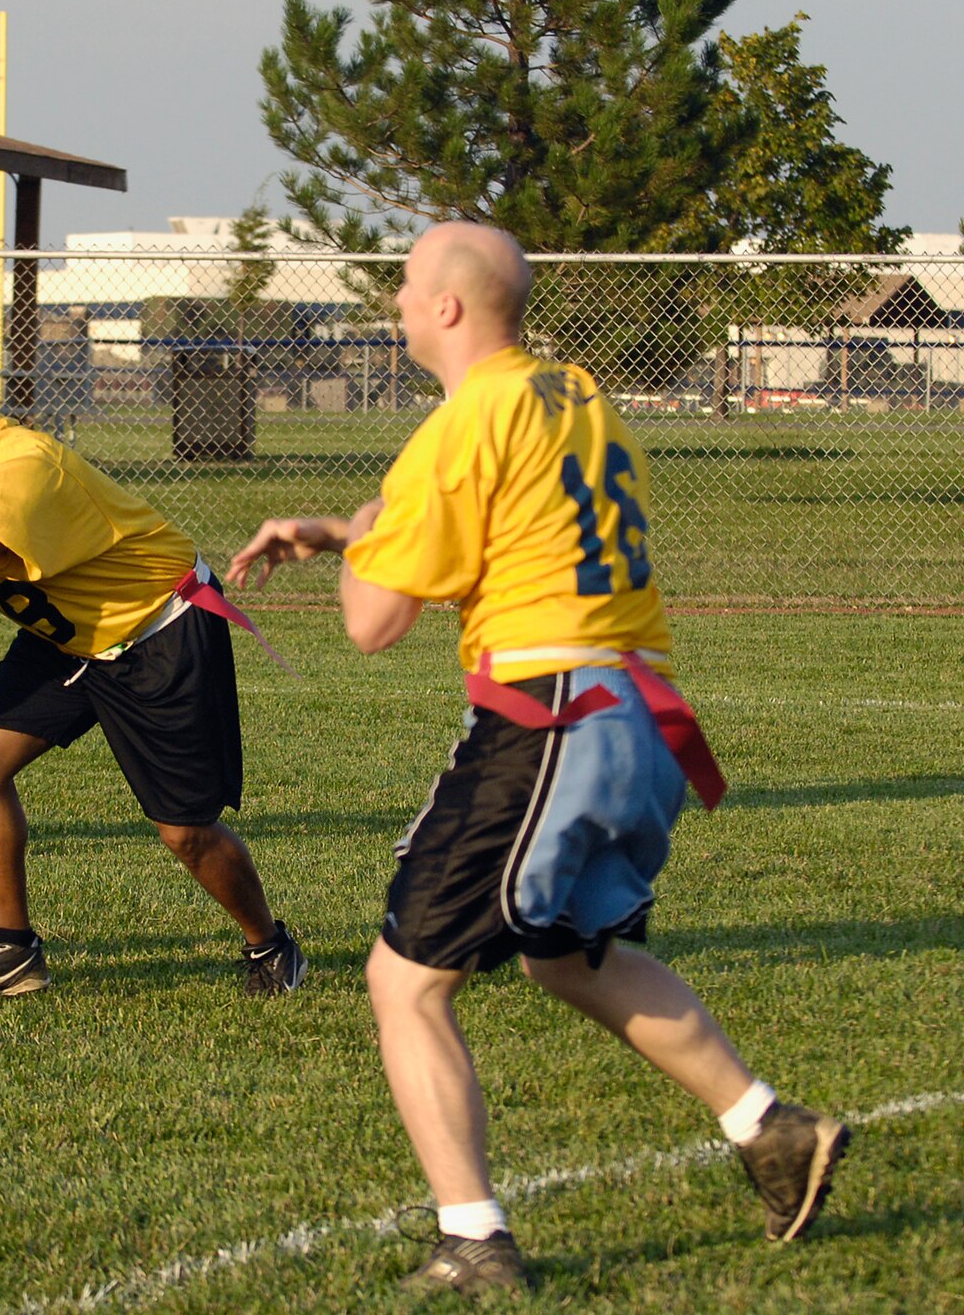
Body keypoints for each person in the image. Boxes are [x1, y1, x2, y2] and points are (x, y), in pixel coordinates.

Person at [228, 222, 849, 1295]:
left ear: (451, 309)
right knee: (567, 953)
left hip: (545, 716)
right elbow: (507, 528)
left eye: (409, 287)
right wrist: (347, 526)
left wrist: (360, 537)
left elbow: (373, 623)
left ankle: (472, 1237)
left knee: (403, 981)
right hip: (637, 718)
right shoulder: (572, 393)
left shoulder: (459, 420)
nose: (398, 306)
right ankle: (769, 1126)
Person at [0, 346, 304, 1000]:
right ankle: (12, 951)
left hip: (155, 624)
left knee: (186, 829)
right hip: (66, 634)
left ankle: (271, 945)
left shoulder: (18, 463)